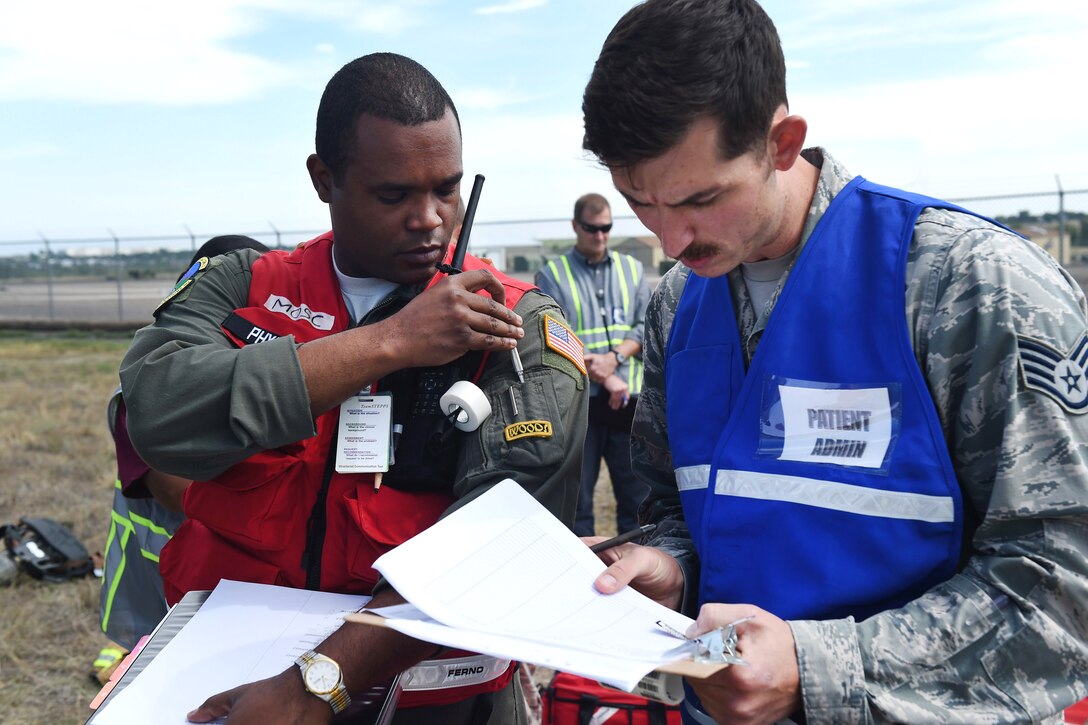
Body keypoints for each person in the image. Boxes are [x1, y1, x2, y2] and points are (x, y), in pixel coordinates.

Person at [580, 1, 1088, 723]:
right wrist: (671, 569)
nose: (669, 239)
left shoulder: (962, 286)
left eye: (700, 199)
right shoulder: (675, 308)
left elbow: (1060, 584)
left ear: (781, 143)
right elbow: (678, 512)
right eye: (641, 203)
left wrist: (816, 669)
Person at [118, 53, 585, 724]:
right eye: (395, 194)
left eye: (447, 189)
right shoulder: (242, 285)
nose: (429, 218)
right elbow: (155, 413)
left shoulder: (514, 321)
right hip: (226, 681)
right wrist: (389, 341)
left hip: (432, 699)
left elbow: (499, 537)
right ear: (323, 178)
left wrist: (318, 682)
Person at [100, 235, 268, 651]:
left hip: (219, 584)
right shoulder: (147, 395)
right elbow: (177, 492)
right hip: (161, 590)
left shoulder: (248, 377)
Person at [535, 193, 649, 536]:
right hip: (580, 402)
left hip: (627, 399)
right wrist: (600, 372)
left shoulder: (633, 269)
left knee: (637, 500)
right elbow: (552, 335)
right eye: (591, 228)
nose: (600, 235)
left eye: (606, 228)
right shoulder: (552, 274)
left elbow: (645, 325)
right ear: (575, 226)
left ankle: (638, 573)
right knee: (578, 503)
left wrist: (614, 361)